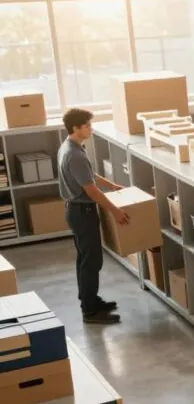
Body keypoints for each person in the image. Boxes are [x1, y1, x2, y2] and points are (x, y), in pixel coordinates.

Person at [58, 108, 129, 325]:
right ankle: (90, 311)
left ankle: (90, 300)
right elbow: (91, 190)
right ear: (75, 128)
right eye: (87, 125)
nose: (91, 128)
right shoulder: (75, 154)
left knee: (85, 259)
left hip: (77, 211)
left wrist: (112, 185)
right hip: (82, 212)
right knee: (92, 260)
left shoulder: (70, 147)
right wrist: (115, 210)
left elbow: (89, 176)